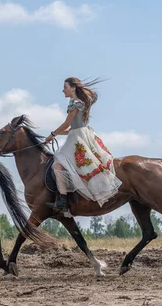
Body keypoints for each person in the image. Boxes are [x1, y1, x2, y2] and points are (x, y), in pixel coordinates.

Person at [44, 77, 121, 212]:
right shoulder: (77, 102)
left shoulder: (75, 103)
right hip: (80, 134)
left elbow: (67, 124)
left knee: (57, 166)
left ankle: (63, 200)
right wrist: (55, 135)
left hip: (78, 139)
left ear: (73, 88)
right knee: (69, 166)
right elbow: (74, 128)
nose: (63, 90)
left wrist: (53, 134)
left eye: (65, 87)